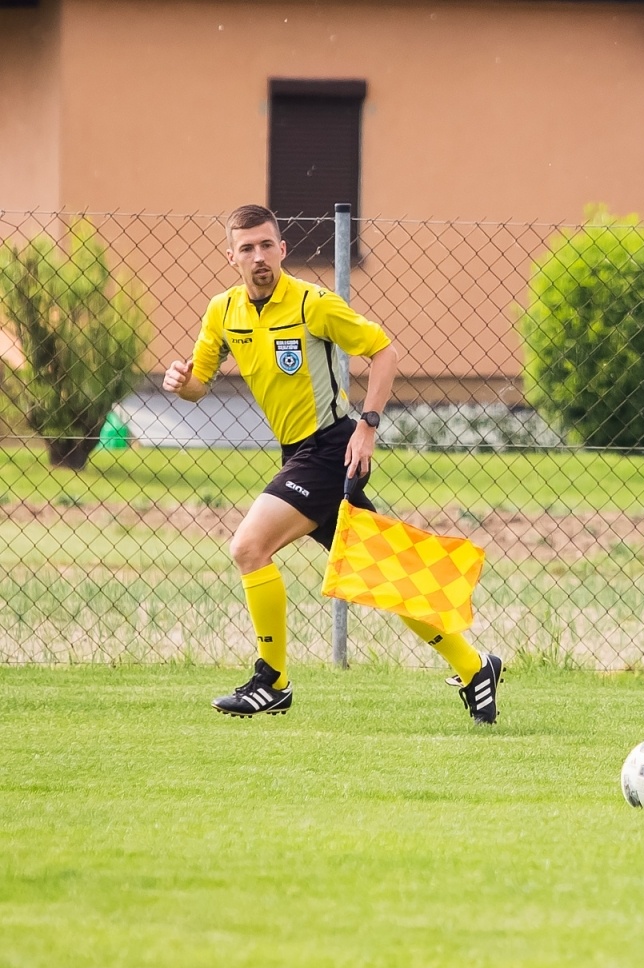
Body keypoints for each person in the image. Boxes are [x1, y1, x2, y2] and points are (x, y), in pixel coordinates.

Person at [164, 204, 503, 723]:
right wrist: (179, 383)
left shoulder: (313, 303)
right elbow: (199, 384)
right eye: (247, 248)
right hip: (299, 455)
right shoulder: (222, 312)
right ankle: (475, 666)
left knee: (249, 547)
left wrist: (368, 425)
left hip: (329, 448)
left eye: (266, 245)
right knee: (383, 571)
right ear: (230, 256)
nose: (259, 257)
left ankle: (271, 680)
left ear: (282, 249)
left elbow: (384, 352)